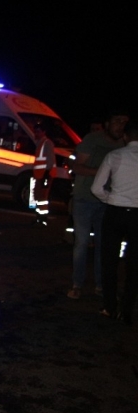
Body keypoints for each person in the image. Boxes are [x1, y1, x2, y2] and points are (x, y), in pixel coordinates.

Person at [66, 111, 128, 299]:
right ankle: (77, 284)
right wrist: (103, 173)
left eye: (125, 122)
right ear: (107, 123)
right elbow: (77, 167)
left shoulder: (126, 143)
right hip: (85, 198)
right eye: (117, 121)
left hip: (109, 201)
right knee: (82, 243)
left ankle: (101, 286)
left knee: (105, 245)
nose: (121, 126)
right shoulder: (92, 140)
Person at [92, 120, 138, 325]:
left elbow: (96, 188)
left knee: (109, 260)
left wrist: (109, 198)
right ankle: (127, 309)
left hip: (115, 212)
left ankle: (109, 306)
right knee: (134, 264)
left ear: (126, 137)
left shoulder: (115, 155)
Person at [31, 123, 56, 226]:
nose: (36, 133)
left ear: (43, 132)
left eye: (38, 131)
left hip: (45, 175)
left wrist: (46, 174)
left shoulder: (47, 143)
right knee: (38, 196)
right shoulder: (40, 143)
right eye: (35, 131)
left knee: (42, 198)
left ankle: (42, 219)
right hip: (40, 175)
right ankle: (39, 217)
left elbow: (50, 160)